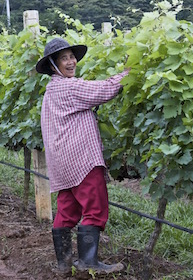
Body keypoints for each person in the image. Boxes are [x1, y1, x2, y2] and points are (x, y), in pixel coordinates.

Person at [35, 37, 128, 276]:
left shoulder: (51, 90)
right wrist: (128, 73)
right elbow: (105, 89)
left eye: (71, 56)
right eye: (64, 58)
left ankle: (64, 264)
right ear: (54, 65)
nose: (71, 61)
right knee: (95, 208)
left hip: (61, 163)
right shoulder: (69, 87)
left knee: (66, 210)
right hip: (81, 159)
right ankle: (88, 262)